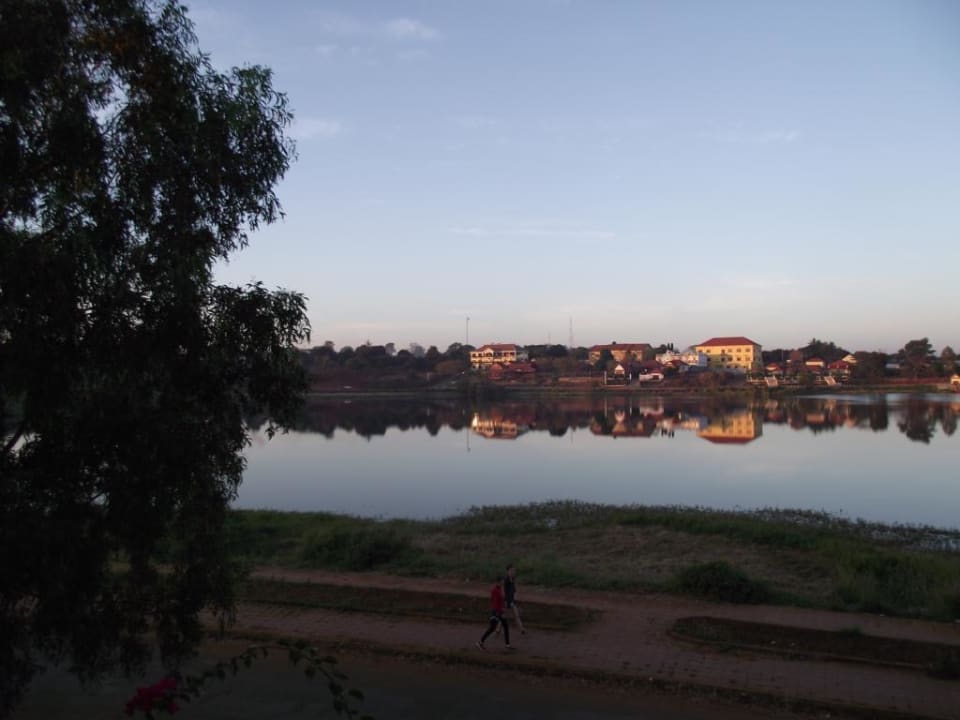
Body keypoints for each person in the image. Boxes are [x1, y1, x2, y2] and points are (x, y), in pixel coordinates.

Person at [476, 576, 511, 650]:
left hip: (499, 612)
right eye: (502, 581)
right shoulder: (495, 590)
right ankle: (480, 642)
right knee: (492, 628)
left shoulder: (499, 589)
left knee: (505, 626)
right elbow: (495, 603)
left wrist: (503, 609)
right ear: (498, 582)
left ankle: (508, 645)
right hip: (496, 612)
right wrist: (499, 613)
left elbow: (500, 601)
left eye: (503, 581)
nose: (503, 582)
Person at [504, 564, 526, 634]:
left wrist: (514, 597)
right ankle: (497, 629)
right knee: (505, 616)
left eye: (513, 571)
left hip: (511, 600)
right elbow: (504, 592)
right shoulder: (506, 580)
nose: (513, 572)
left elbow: (513, 589)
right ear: (507, 571)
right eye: (511, 571)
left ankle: (522, 629)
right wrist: (507, 601)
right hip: (507, 601)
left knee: (516, 615)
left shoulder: (512, 579)